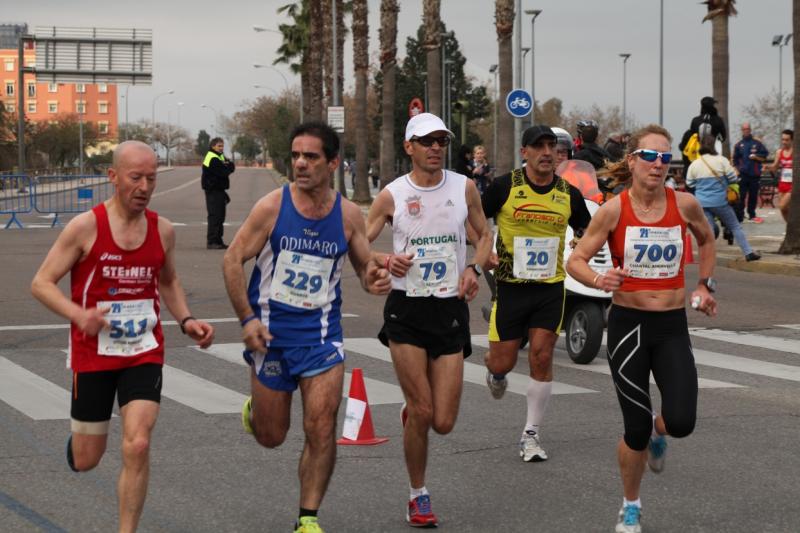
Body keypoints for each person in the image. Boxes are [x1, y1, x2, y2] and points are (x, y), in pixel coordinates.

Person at [30, 140, 215, 533]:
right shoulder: (85, 227)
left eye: (151, 178)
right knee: (87, 459)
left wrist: (186, 320)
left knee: (138, 443)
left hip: (142, 351)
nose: (145, 187)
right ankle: (79, 445)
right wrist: (78, 315)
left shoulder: (162, 230)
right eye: (136, 178)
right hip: (93, 352)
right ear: (113, 177)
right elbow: (41, 283)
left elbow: (168, 280)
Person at [222, 122, 390, 533]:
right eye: (295, 155)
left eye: (310, 156)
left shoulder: (349, 215)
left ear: (332, 163)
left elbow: (364, 269)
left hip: (322, 340)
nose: (300, 163)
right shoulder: (271, 207)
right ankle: (257, 411)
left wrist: (377, 280)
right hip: (272, 339)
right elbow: (232, 260)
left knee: (320, 426)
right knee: (272, 436)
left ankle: (307, 517)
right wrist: (247, 320)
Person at [566, 124, 717, 533]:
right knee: (634, 428)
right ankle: (630, 504)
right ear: (632, 161)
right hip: (629, 328)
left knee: (682, 420)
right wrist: (599, 280)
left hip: (671, 326)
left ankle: (659, 432)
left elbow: (706, 240)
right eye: (650, 156)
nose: (659, 164)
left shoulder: (684, 204)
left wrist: (704, 283)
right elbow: (575, 260)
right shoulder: (614, 209)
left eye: (665, 157)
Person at [366, 112, 491, 528]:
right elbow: (358, 243)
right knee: (422, 410)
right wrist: (385, 260)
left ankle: (413, 414)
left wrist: (473, 267)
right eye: (426, 141)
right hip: (407, 309)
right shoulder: (391, 195)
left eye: (441, 140)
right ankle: (417, 495)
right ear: (409, 147)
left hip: (449, 309)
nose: (435, 147)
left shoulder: (463, 186)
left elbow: (483, 233)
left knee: (443, 421)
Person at [481, 125, 592, 462]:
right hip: (511, 288)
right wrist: (483, 248)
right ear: (524, 152)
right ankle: (496, 373)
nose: (547, 153)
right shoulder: (504, 187)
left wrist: (581, 243)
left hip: (549, 288)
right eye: (539, 146)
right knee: (504, 360)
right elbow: (474, 219)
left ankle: (531, 434)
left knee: (542, 357)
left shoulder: (568, 194)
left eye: (553, 147)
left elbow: (588, 229)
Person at [687, 135, 761, 261]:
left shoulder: (695, 164)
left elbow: (690, 184)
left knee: (709, 230)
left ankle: (708, 256)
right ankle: (748, 252)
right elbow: (733, 178)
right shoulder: (722, 161)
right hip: (720, 201)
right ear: (714, 146)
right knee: (735, 226)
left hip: (702, 203)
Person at [201, 137, 236, 249]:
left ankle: (218, 241)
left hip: (219, 190)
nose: (221, 148)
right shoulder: (212, 158)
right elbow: (224, 172)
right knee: (215, 216)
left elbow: (231, 166)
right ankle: (212, 241)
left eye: (222, 146)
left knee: (220, 216)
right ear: (213, 146)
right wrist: (227, 166)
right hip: (213, 190)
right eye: (219, 146)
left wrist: (228, 165)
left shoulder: (219, 156)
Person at [732, 122, 768, 224]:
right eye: (744, 129)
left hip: (754, 174)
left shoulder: (757, 143)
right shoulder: (739, 145)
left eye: (747, 129)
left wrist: (756, 157)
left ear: (750, 130)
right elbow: (734, 159)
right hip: (743, 174)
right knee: (741, 196)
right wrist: (737, 170)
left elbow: (765, 155)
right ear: (742, 131)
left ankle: (752, 214)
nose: (746, 131)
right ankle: (740, 215)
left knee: (753, 195)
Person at [766, 128, 793, 221]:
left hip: (792, 185)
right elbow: (775, 167)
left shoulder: (796, 152)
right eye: (783, 139)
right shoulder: (779, 152)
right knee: (783, 210)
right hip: (782, 183)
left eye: (787, 140)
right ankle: (791, 228)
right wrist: (767, 167)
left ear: (792, 140)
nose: (784, 142)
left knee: (782, 206)